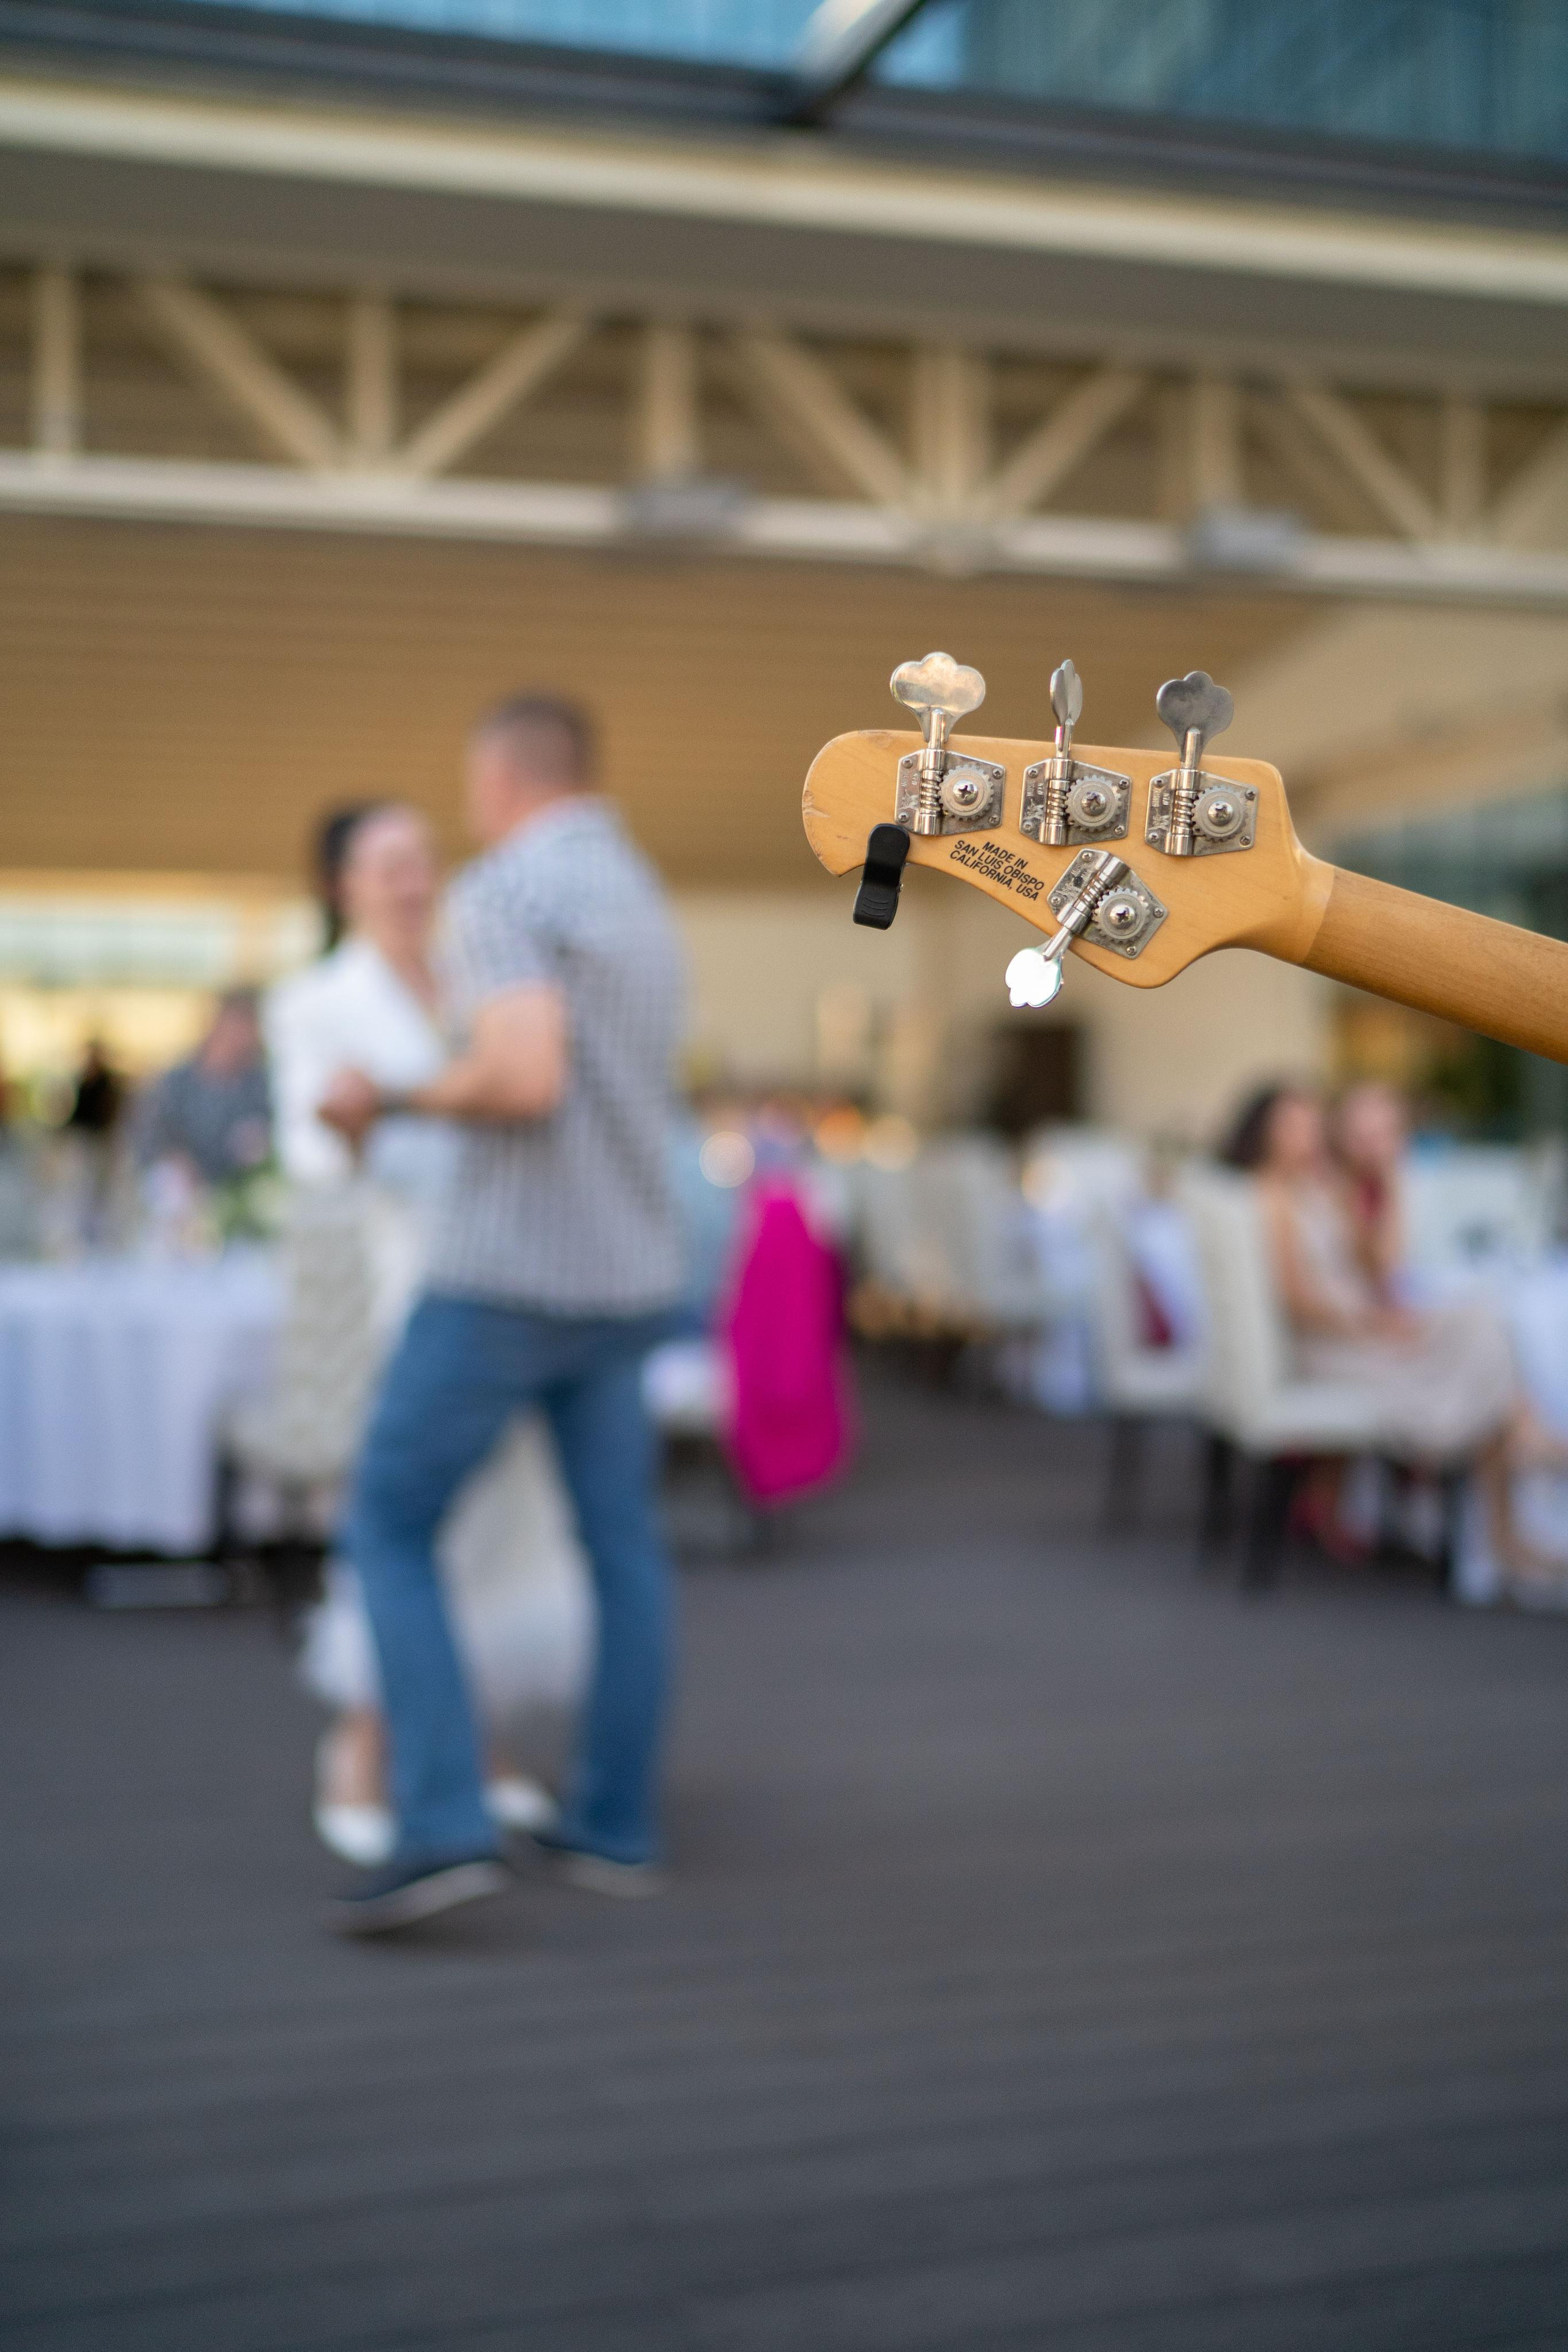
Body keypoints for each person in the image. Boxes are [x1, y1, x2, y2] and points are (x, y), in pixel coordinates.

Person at [317, 692, 686, 1935]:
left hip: (505, 1275)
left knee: (386, 1522)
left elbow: (522, 1077)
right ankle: (611, 1824)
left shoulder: (504, 894)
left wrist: (396, 1100)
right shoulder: (645, 901)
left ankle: (437, 1827)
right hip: (628, 1275)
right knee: (621, 1549)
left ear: (498, 783)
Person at [265, 801, 589, 1864]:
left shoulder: (482, 976)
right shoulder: (316, 1004)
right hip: (403, 1289)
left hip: (513, 1281)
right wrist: (382, 1122)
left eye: (423, 861)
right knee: (410, 1524)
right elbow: (319, 1166)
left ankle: (483, 1745)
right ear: (341, 885)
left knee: (503, 1520)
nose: (413, 881)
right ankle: (361, 1749)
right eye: (387, 864)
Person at [1222, 1082, 1560, 1584]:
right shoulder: (1269, 1193)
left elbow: (1380, 1268)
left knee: (1480, 1316)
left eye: (1311, 1123)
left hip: (1360, 1327)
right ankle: (1521, 1458)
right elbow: (1294, 1298)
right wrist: (1370, 1324)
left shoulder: (1318, 1186)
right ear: (1265, 1132)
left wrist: (1386, 1180)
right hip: (1330, 1345)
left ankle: (1520, 1443)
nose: (1306, 1135)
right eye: (1292, 1125)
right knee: (1474, 1351)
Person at [136, 990, 271, 1185]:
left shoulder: (258, 1082)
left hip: (235, 1187)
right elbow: (150, 1134)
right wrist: (172, 1159)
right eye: (238, 1026)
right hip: (183, 1186)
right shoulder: (177, 1082)